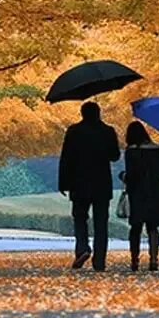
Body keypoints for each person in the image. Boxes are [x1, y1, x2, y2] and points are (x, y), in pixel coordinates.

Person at [58, 101, 120, 271]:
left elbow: (66, 158)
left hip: (79, 182)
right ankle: (99, 260)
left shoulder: (74, 131)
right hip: (101, 182)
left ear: (82, 113)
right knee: (101, 222)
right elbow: (115, 156)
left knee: (80, 218)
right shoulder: (107, 131)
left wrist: (63, 182)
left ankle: (82, 249)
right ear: (98, 113)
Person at [121, 121, 159, 272]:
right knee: (153, 226)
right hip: (155, 191)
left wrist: (123, 176)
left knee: (136, 227)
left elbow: (131, 175)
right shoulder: (157, 149)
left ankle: (134, 260)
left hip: (137, 192)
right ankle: (153, 259)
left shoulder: (131, 151)